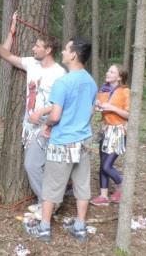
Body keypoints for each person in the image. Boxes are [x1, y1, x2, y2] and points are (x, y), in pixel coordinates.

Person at [0, 13, 65, 214]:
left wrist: (44, 117)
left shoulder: (59, 74)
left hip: (48, 126)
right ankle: (48, 201)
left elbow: (63, 104)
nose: (33, 48)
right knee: (39, 166)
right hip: (29, 126)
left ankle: (49, 204)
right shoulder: (31, 63)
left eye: (37, 46)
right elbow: (6, 55)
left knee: (33, 165)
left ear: (48, 50)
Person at [24, 37, 97, 243]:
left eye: (66, 50)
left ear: (73, 54)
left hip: (62, 141)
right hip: (83, 141)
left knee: (51, 186)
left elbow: (55, 116)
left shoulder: (63, 82)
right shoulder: (90, 81)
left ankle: (44, 229)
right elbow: (91, 111)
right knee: (82, 186)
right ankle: (80, 227)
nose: (63, 52)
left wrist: (47, 125)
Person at [90, 64, 130, 206]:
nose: (107, 72)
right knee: (102, 164)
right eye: (108, 70)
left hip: (119, 131)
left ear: (119, 77)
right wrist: (97, 107)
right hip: (105, 130)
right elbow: (99, 108)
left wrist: (112, 107)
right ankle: (103, 196)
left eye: (112, 71)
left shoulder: (125, 92)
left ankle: (122, 185)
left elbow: (129, 114)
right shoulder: (103, 90)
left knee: (107, 165)